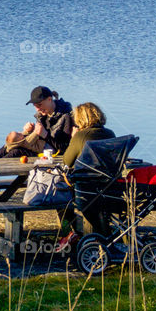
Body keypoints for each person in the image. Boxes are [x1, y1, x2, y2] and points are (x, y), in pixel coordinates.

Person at [55, 102, 115, 251]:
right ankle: (90, 235)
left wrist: (73, 139)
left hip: (86, 190)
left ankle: (71, 233)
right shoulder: (110, 134)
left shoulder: (81, 136)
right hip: (110, 189)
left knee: (60, 197)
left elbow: (67, 161)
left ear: (81, 119)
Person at [23, 86, 73, 155]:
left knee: (17, 151)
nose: (37, 109)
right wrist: (30, 131)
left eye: (39, 105)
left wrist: (45, 135)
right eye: (35, 106)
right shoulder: (41, 115)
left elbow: (65, 148)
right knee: (13, 146)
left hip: (55, 155)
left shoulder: (66, 116)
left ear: (49, 99)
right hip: (42, 150)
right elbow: (40, 138)